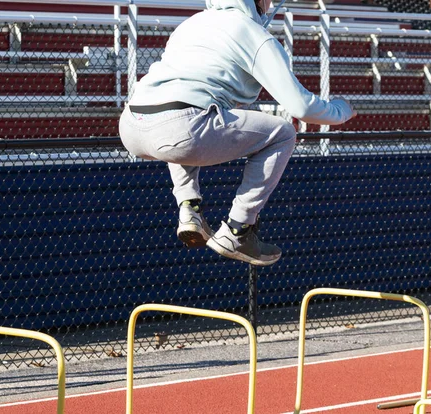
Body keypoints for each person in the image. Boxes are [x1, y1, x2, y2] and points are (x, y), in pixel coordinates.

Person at [119, 0, 356, 266]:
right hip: (182, 128)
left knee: (186, 115)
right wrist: (341, 110)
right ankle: (238, 230)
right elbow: (300, 106)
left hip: (131, 124)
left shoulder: (191, 24)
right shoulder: (254, 35)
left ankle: (189, 208)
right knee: (283, 133)